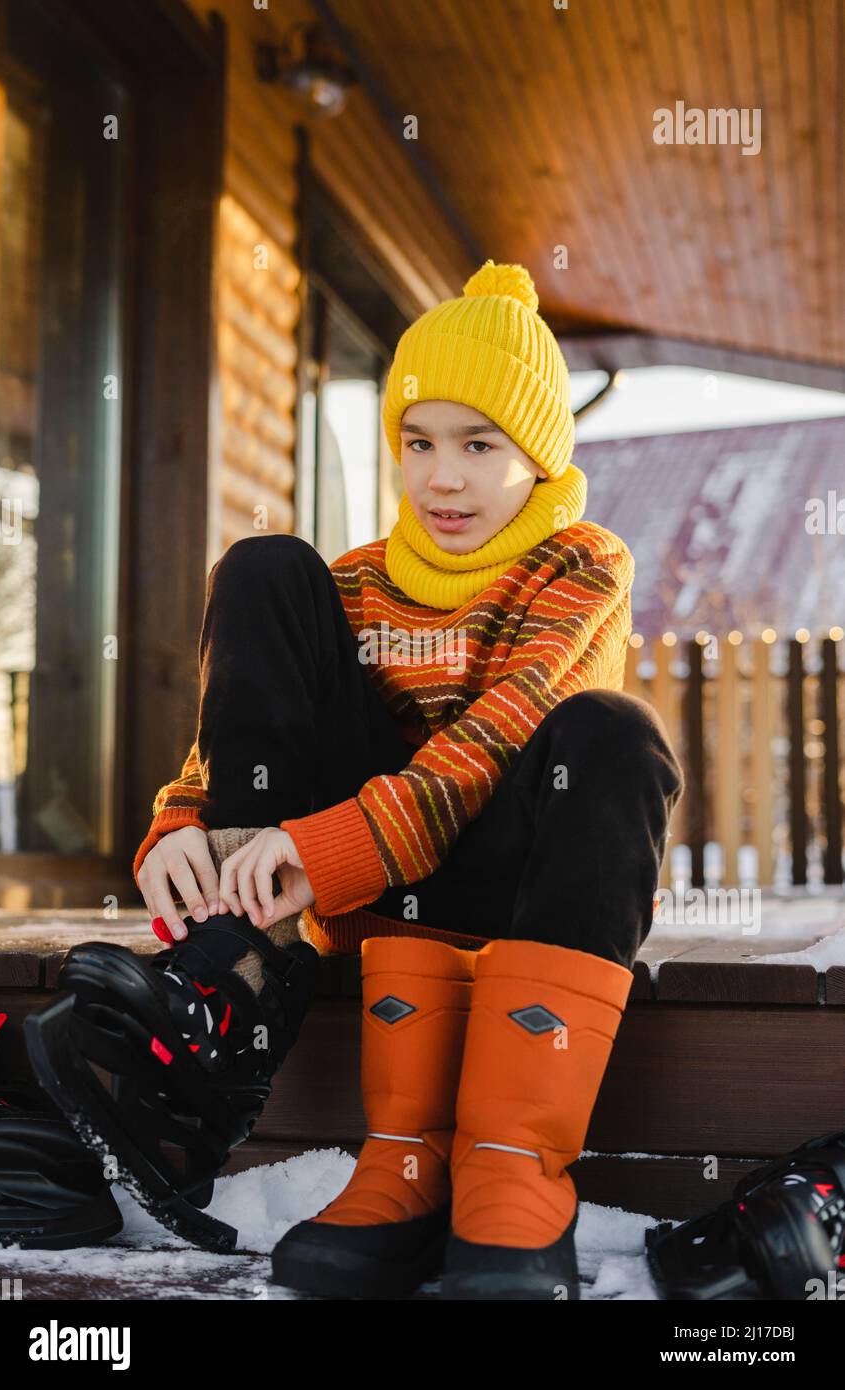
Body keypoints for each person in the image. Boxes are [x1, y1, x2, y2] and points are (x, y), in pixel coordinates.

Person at [133, 259, 685, 1299]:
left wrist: (327, 846)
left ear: (536, 456)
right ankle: (243, 973)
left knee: (614, 732)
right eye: (418, 443)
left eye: (479, 446)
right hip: (350, 893)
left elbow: (486, 743)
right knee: (262, 565)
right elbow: (252, 718)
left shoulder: (576, 565)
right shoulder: (354, 582)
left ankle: (509, 1162)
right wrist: (189, 819)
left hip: (513, 890)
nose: (441, 478)